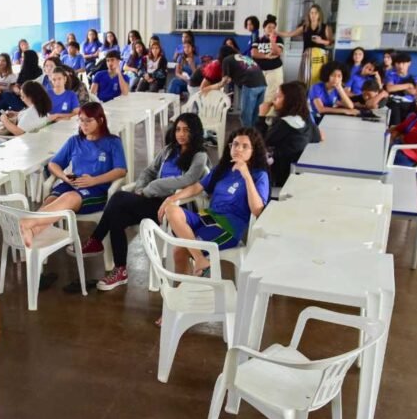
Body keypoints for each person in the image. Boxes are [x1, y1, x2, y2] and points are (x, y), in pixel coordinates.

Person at [78, 113, 209, 291]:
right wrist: (141, 188)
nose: (181, 134)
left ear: (195, 132)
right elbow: (149, 170)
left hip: (171, 207)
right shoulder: (170, 150)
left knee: (117, 198)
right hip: (150, 200)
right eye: (178, 129)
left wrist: (151, 188)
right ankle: (120, 270)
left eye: (186, 130)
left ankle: (96, 240)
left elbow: (186, 180)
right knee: (117, 217)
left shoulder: (199, 156)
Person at [160, 127, 270, 277]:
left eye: (245, 146)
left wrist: (246, 175)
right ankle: (199, 263)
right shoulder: (223, 169)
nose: (238, 149)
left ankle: (188, 282)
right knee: (172, 209)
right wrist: (171, 198)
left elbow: (257, 210)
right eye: (235, 144)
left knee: (180, 250)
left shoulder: (259, 175)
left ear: (254, 151)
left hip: (229, 226)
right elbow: (197, 187)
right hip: (207, 216)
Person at [19, 102, 127, 246]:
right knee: (50, 202)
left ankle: (27, 222)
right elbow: (53, 164)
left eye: (89, 120)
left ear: (100, 120)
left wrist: (94, 180)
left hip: (96, 190)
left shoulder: (113, 142)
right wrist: (65, 177)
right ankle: (31, 233)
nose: (84, 124)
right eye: (81, 120)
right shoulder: (74, 141)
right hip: (72, 184)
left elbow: (121, 170)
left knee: (68, 198)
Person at [255, 81, 321, 186]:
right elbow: (318, 137)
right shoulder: (305, 118)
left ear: (290, 101)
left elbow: (258, 142)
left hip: (280, 174)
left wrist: (261, 116)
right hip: (297, 168)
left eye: (278, 97)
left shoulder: (284, 123)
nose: (274, 100)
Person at [201, 46, 267, 127]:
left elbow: (224, 81)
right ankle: (255, 135)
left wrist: (208, 88)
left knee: (246, 116)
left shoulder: (226, 60)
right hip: (263, 84)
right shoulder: (243, 57)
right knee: (255, 115)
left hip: (250, 84)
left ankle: (247, 135)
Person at [279, 4, 332, 85]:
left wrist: (321, 41)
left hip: (319, 58)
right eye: (311, 13)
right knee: (305, 80)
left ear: (319, 15)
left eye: (315, 13)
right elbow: (290, 34)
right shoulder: (305, 27)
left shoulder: (325, 27)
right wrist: (276, 32)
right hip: (307, 58)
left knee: (318, 79)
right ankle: (306, 96)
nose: (313, 15)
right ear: (309, 14)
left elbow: (331, 42)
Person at [0, 49, 42, 118]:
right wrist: (15, 88)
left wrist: (21, 91)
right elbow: (17, 84)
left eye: (23, 57)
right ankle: (3, 121)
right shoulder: (23, 70)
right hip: (19, 96)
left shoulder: (38, 71)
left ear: (29, 59)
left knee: (6, 98)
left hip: (29, 97)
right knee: (1, 103)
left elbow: (34, 88)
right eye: (21, 57)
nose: (21, 59)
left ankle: (22, 111)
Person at [251, 14, 284, 108]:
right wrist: (266, 56)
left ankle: (269, 118)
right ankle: (259, 116)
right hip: (259, 71)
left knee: (272, 95)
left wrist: (272, 41)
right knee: (259, 95)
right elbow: (254, 53)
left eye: (273, 28)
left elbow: (277, 52)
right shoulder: (258, 39)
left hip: (274, 70)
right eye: (269, 27)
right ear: (264, 28)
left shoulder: (278, 39)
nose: (271, 29)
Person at [385, 52, 417, 125]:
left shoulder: (414, 78)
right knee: (394, 107)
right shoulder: (391, 75)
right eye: (398, 63)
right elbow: (389, 88)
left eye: (403, 63)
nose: (401, 66)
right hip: (394, 103)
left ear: (409, 63)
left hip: (409, 104)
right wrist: (408, 85)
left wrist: (398, 87)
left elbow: (416, 92)